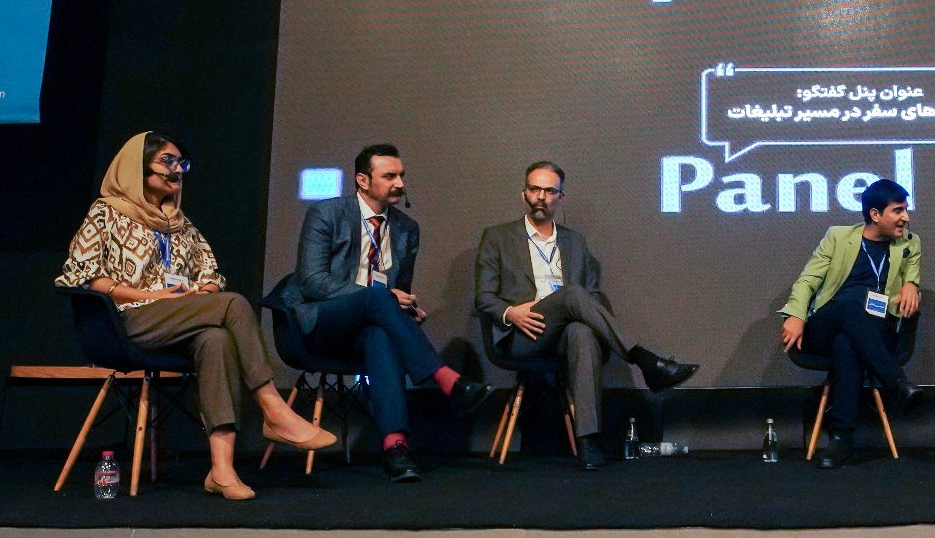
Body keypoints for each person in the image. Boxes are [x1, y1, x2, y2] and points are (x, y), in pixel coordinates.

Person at [57, 132, 339, 502]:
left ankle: (221, 470)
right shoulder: (106, 212)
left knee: (215, 339)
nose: (177, 170)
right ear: (136, 167)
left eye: (181, 163)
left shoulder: (180, 223)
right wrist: (152, 295)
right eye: (167, 161)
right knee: (233, 304)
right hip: (126, 321)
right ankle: (273, 408)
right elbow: (84, 275)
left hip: (178, 318)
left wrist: (199, 294)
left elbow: (211, 275)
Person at [279, 142, 488, 483]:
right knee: (377, 298)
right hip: (321, 323)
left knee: (381, 335)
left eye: (401, 175)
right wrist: (383, 298)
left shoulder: (406, 228)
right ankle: (446, 380)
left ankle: (395, 448)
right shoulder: (327, 213)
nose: (399, 183)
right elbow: (312, 282)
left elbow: (398, 290)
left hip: (367, 328)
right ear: (363, 180)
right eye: (389, 176)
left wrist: (407, 308)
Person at [473, 161, 699, 470]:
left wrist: (584, 314)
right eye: (535, 189)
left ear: (560, 197)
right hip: (522, 335)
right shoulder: (498, 237)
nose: (541, 197)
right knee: (571, 293)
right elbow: (483, 297)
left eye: (549, 191)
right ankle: (646, 361)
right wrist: (511, 312)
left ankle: (588, 441)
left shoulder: (574, 242)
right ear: (523, 194)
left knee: (581, 330)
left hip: (565, 334)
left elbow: (591, 297)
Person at [780, 179, 923, 469]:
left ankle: (841, 440)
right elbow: (808, 281)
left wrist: (911, 284)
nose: (905, 217)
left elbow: (911, 277)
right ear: (875, 214)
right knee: (849, 303)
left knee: (847, 344)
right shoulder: (838, 237)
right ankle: (896, 383)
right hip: (830, 322)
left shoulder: (909, 242)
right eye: (897, 211)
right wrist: (795, 315)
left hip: (875, 329)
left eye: (905, 210)